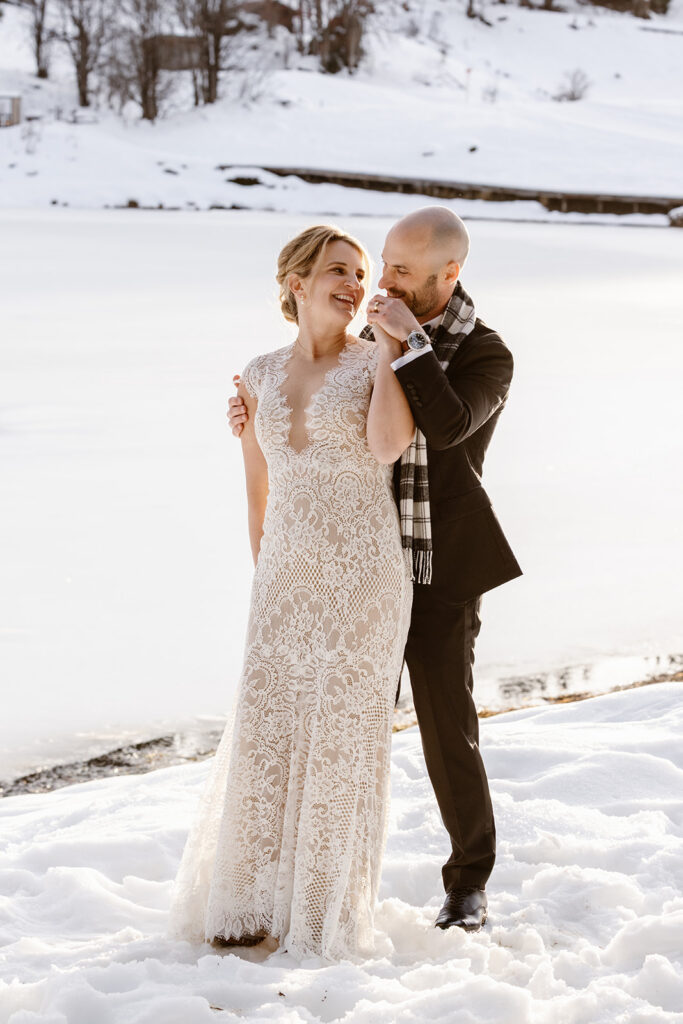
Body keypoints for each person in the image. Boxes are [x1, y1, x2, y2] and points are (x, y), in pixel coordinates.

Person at [228, 207, 522, 933]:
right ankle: (295, 882)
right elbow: (322, 415)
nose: (379, 282)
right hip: (347, 559)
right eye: (378, 264)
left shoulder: (486, 354)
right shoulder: (365, 337)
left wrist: (405, 344)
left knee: (443, 725)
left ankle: (467, 881)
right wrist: (258, 417)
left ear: (447, 274)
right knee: (325, 721)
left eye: (397, 270)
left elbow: (448, 424)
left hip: (435, 565)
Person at [168, 225, 414, 961]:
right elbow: (258, 493)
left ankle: (320, 913)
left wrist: (392, 357)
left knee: (339, 738)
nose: (352, 282)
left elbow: (384, 447)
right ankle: (248, 903)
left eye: (360, 273)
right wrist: (267, 581)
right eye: (336, 270)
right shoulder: (259, 373)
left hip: (363, 575)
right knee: (270, 734)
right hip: (282, 580)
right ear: (296, 281)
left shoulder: (374, 360)